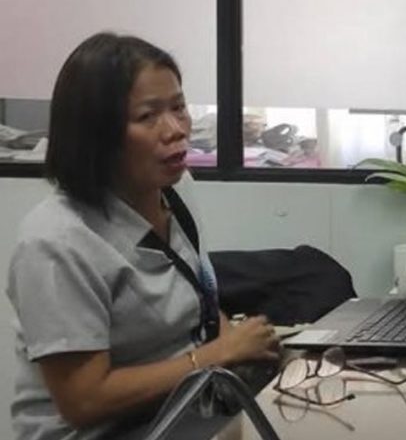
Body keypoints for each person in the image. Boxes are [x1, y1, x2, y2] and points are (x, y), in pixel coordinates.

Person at [7, 33, 280, 440]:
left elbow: (197, 296)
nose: (176, 130)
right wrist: (216, 355)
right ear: (96, 133)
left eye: (179, 107)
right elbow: (84, 401)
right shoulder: (55, 242)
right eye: (148, 116)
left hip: (185, 412)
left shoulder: (176, 188)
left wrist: (245, 345)